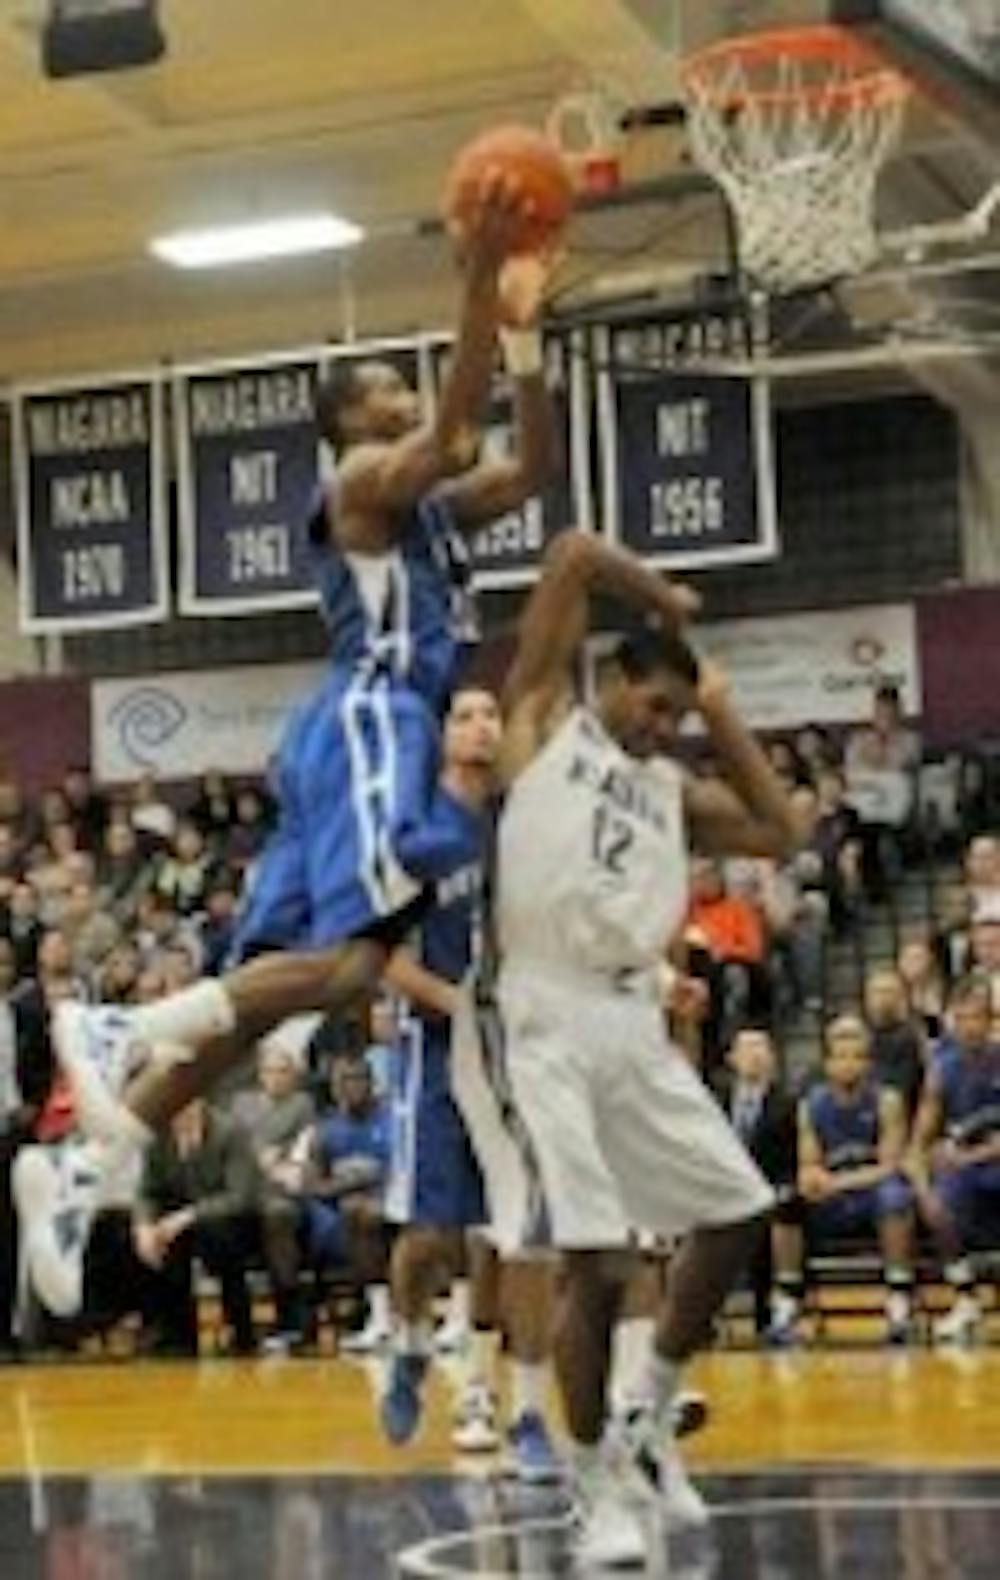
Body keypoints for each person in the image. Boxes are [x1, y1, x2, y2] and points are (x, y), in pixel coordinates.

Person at [13, 183, 558, 1311]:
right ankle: (119, 1026)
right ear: (352, 420)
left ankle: (79, 1167)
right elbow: (454, 435)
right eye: (391, 388)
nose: (411, 398)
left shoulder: (427, 512)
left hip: (349, 733)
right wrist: (476, 273)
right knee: (349, 967)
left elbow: (529, 469)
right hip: (374, 718)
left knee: (277, 994)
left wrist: (523, 344)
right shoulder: (357, 484)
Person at [454, 528, 787, 1570]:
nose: (662, 726)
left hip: (631, 1018)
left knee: (738, 1210)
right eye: (656, 706)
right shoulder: (544, 720)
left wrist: (719, 711)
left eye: (677, 717)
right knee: (594, 1262)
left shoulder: (666, 789)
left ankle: (646, 1411)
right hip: (544, 1010)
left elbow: (779, 829)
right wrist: (663, 598)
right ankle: (592, 1480)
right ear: (613, 678)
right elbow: (568, 555)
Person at [378, 685, 559, 1481]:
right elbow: (382, 958)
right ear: (443, 736)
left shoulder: (518, 827)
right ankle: (411, 1341)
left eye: (493, 715)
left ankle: (522, 1411)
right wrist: (460, 1004)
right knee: (430, 1237)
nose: (484, 727)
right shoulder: (417, 833)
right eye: (466, 716)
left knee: (519, 1238)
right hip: (435, 1046)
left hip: (514, 1054)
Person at [770, 1015, 916, 1347]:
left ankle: (899, 1301)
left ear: (868, 1063)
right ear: (828, 1064)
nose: (849, 1064)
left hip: (873, 1197)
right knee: (787, 1201)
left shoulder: (887, 1100)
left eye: (857, 1057)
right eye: (841, 1056)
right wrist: (810, 1178)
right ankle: (787, 1300)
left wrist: (836, 1183)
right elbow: (809, 1163)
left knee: (895, 1196)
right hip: (832, 1202)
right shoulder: (811, 1105)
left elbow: (890, 1165)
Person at [908, 975, 1000, 1343]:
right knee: (942, 1202)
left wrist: (972, 1155)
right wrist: (923, 1190)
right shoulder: (942, 1069)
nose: (968, 1027)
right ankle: (965, 1299)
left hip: (987, 1160)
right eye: (961, 1019)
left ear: (991, 1020)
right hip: (967, 1166)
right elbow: (919, 1140)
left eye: (976, 1017)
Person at [714, 1026, 799, 1338]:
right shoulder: (714, 1102)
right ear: (732, 1058)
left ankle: (774, 1311)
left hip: (769, 1191)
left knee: (780, 1214)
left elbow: (793, 1160)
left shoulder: (788, 1104)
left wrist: (778, 1189)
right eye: (747, 1048)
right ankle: (703, 1314)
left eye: (762, 1048)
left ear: (773, 1058)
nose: (755, 1055)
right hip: (722, 1192)